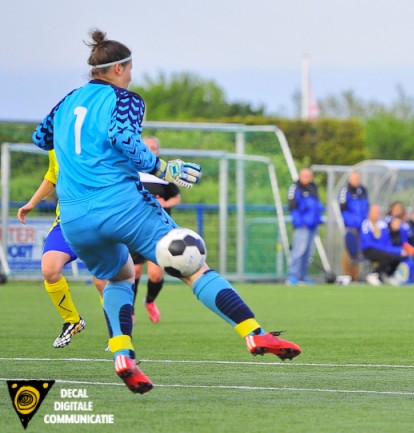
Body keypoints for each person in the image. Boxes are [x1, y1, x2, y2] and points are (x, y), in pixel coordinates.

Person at [32, 29, 301, 394]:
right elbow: (125, 140)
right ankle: (254, 334)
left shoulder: (67, 102)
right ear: (119, 68)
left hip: (76, 216)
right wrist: (163, 168)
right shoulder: (125, 98)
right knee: (192, 264)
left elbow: (40, 137)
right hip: (120, 202)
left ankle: (123, 356)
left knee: (119, 278)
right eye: (129, 68)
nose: (131, 75)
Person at [17, 150, 106, 348]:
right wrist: (32, 202)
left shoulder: (94, 135)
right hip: (66, 220)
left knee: (102, 281)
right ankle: (73, 320)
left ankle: (118, 333)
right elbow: (52, 174)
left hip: (98, 218)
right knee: (49, 269)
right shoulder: (55, 140)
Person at [130, 136, 182, 323]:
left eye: (153, 148)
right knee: (134, 272)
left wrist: (165, 202)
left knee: (156, 273)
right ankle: (130, 310)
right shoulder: (131, 170)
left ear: (158, 151)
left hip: (159, 229)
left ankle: (150, 301)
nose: (150, 150)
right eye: (147, 147)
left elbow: (176, 198)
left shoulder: (164, 174)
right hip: (135, 228)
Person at [286, 168, 324, 285]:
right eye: (305, 176)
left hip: (313, 226)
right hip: (302, 226)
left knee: (308, 252)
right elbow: (292, 207)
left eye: (309, 176)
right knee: (299, 251)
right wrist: (300, 222)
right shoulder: (295, 188)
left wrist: (318, 220)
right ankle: (293, 276)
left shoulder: (313, 187)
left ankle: (303, 276)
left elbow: (316, 206)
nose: (308, 178)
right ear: (300, 176)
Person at [360, 205, 410, 286]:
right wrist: (383, 248)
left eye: (378, 212)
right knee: (386, 256)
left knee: (399, 256)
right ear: (370, 213)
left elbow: (387, 243)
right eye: (374, 212)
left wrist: (399, 250)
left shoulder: (382, 225)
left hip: (383, 249)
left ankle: (388, 275)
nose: (376, 214)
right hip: (369, 250)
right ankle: (374, 274)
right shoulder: (366, 224)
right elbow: (367, 243)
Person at [339, 171, 369, 281]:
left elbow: (366, 207)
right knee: (349, 251)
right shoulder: (345, 191)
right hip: (351, 226)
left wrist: (364, 222)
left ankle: (356, 275)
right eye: (354, 178)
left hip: (362, 226)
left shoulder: (363, 190)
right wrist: (352, 222)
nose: (357, 180)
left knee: (359, 250)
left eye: (358, 178)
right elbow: (343, 210)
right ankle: (348, 274)